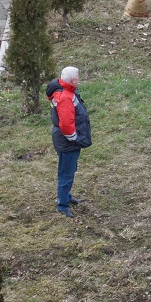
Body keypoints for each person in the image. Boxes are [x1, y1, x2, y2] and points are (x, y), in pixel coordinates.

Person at [45, 67, 92, 218]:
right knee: (66, 173)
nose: (79, 79)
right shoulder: (65, 97)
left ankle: (66, 196)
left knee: (69, 170)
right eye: (78, 76)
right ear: (73, 80)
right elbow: (66, 125)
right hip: (67, 143)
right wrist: (75, 139)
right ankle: (62, 204)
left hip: (64, 140)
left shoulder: (63, 91)